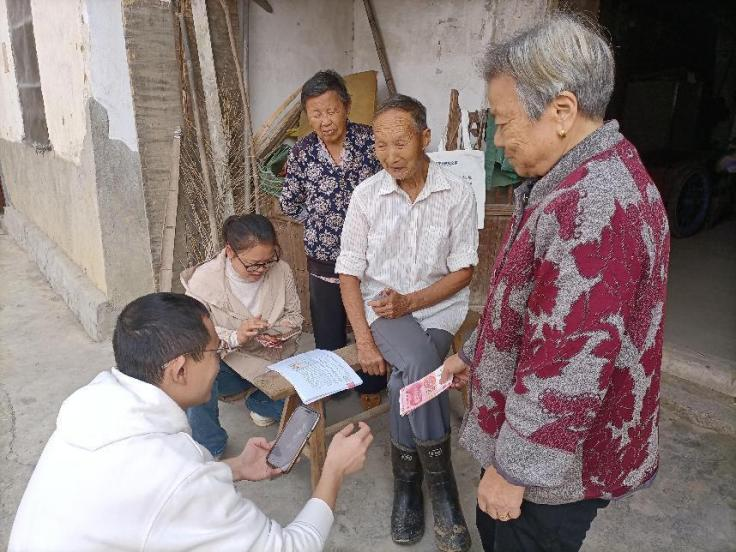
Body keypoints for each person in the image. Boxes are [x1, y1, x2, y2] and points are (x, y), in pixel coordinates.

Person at [441, 13, 670, 552]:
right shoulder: (574, 176)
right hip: (540, 450)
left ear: (562, 111)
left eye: (504, 121)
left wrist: (514, 471)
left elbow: (570, 363)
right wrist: (476, 354)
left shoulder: (594, 207)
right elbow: (532, 302)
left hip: (553, 472)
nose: (498, 141)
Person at [9, 293, 373, 551]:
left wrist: (234, 468)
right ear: (180, 369)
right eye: (216, 351)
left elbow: (147, 496)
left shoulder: (93, 401)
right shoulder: (174, 476)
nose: (220, 362)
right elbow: (290, 548)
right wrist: (333, 472)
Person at [336, 94, 479, 552]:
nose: (390, 155)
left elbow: (464, 270)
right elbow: (349, 272)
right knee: (419, 362)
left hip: (439, 308)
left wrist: (413, 301)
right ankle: (445, 494)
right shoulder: (366, 196)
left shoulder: (457, 192)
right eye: (380, 145)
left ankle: (411, 486)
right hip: (385, 313)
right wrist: (364, 341)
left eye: (400, 142)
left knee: (405, 383)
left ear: (424, 138)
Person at [280, 69, 386, 410]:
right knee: (328, 322)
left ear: (346, 107)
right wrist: (317, 221)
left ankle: (372, 381)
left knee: (372, 319)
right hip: (323, 254)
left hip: (372, 254)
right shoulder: (302, 152)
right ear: (307, 115)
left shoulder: (371, 141)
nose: (324, 120)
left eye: (331, 110)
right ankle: (336, 383)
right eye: (316, 113)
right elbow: (289, 202)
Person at [181, 214, 301, 457]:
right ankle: (209, 445)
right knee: (194, 369)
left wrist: (277, 331)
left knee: (307, 410)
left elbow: (295, 316)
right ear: (230, 252)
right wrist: (237, 336)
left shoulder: (281, 270)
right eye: (253, 264)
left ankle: (259, 402)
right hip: (227, 362)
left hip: (271, 357)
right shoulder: (204, 281)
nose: (261, 270)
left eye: (268, 261)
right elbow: (196, 334)